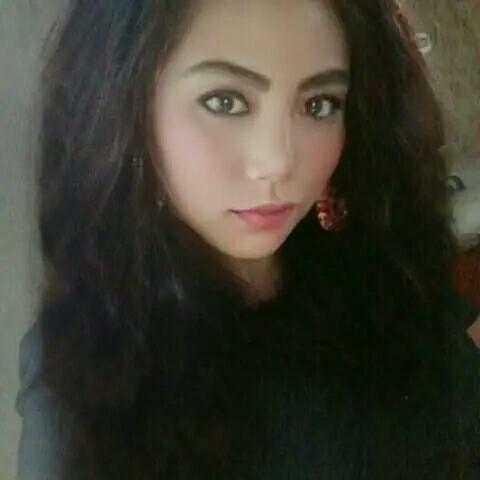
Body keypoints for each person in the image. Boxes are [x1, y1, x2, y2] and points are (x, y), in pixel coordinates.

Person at [15, 0, 480, 478]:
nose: (278, 161)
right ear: (126, 108)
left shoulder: (372, 268)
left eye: (318, 105)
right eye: (225, 101)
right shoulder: (90, 358)